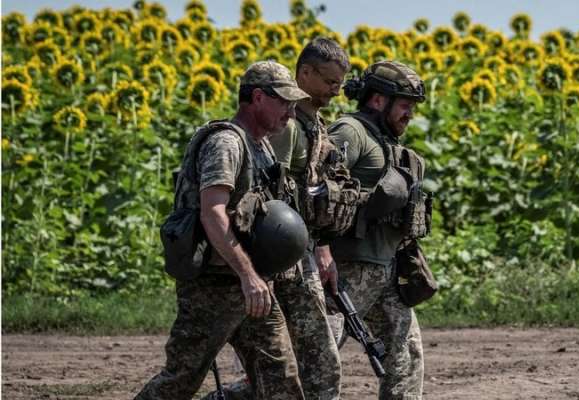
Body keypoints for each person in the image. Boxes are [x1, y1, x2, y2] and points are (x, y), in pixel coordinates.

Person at [135, 60, 309, 400]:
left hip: (253, 285)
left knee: (280, 377)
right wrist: (247, 275)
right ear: (258, 97)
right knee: (180, 380)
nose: (290, 112)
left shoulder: (262, 145)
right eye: (284, 102)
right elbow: (212, 213)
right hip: (214, 285)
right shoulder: (227, 143)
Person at [200, 37, 360, 400]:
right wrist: (262, 270)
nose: (336, 90)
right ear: (305, 73)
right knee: (293, 363)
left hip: (300, 252)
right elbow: (269, 200)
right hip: (280, 258)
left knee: (311, 360)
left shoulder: (313, 123)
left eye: (339, 83)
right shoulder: (284, 127)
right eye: (330, 82)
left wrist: (323, 248)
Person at [326, 60, 428, 400]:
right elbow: (319, 190)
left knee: (407, 355)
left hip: (385, 270)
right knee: (315, 362)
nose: (409, 113)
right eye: (404, 104)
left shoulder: (385, 141)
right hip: (346, 272)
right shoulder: (350, 132)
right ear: (377, 100)